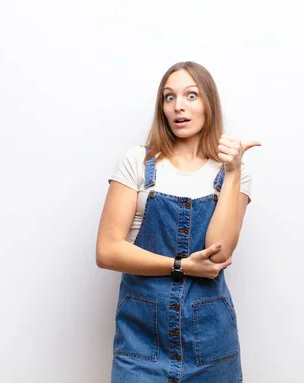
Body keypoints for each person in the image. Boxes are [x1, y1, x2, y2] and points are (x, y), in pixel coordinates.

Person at [96, 61, 260, 383]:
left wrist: (233, 172)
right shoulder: (138, 163)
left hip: (212, 344)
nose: (178, 107)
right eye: (169, 97)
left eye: (191, 95)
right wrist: (181, 266)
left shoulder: (231, 174)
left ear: (209, 103)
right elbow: (107, 251)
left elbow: (219, 253)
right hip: (141, 343)